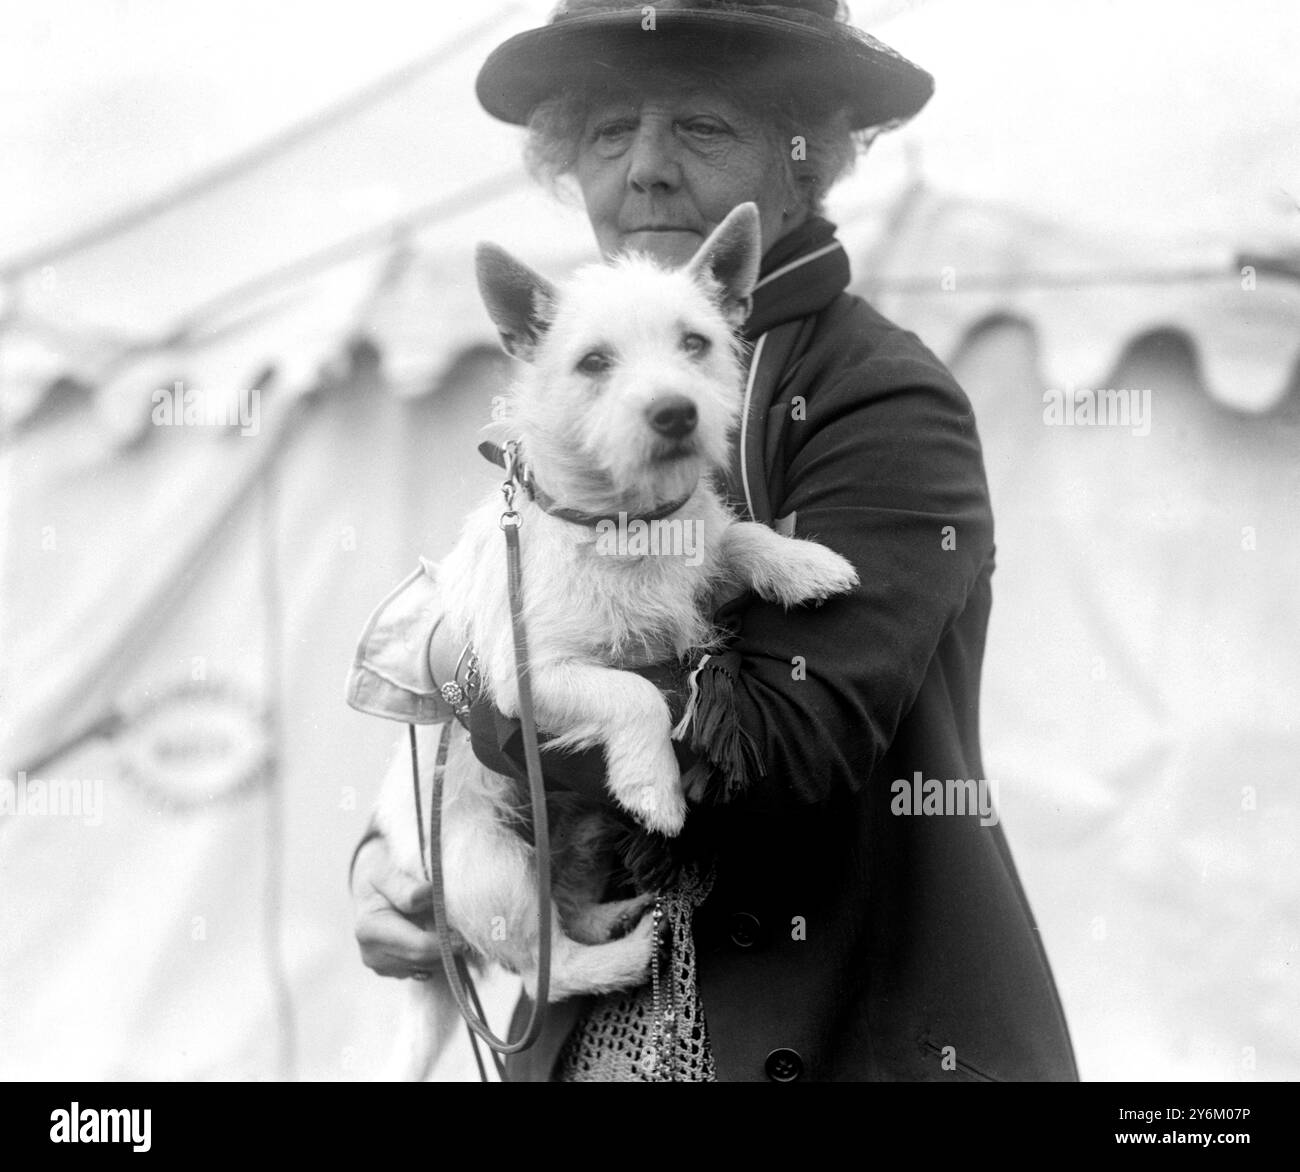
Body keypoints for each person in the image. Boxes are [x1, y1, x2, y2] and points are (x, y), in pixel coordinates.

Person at [351, 0, 1079, 1082]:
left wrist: (494, 694)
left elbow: (788, 747)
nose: (644, 170)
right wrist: (398, 860)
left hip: (840, 1036)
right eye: (606, 133)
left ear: (804, 160)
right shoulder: (572, 385)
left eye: (698, 127)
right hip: (596, 1031)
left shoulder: (880, 399)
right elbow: (482, 635)